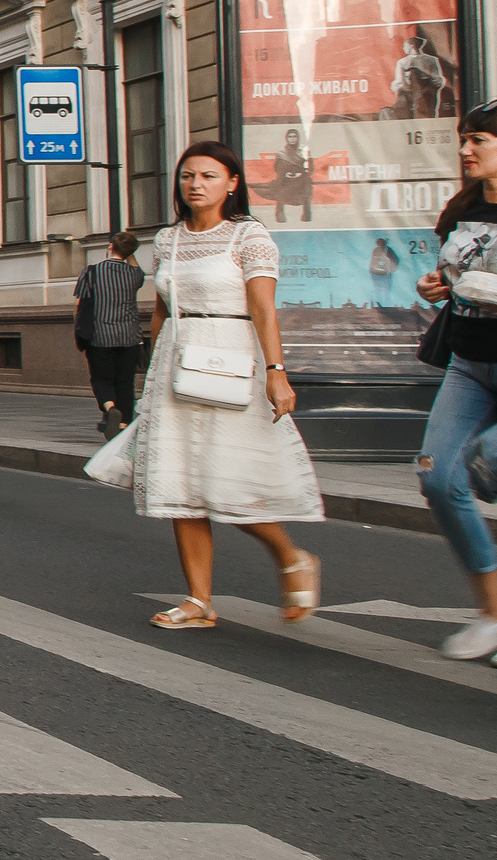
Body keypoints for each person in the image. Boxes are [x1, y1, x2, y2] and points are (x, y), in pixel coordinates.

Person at [88, 142, 322, 631]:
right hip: (178, 357)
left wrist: (276, 372)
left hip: (231, 355)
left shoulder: (249, 236)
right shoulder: (168, 239)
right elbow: (161, 308)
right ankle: (199, 600)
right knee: (182, 484)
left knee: (227, 482)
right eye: (188, 176)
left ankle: (291, 556)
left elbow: (263, 309)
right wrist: (151, 366)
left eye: (209, 176)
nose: (196, 184)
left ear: (232, 183)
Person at [411, 99, 497, 663]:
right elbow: (454, 271)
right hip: (468, 364)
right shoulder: (462, 206)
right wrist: (436, 284)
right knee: (439, 479)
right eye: (464, 139)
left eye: (479, 141)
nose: (465, 150)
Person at [75, 231, 147, 436]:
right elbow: (135, 267)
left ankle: (110, 408)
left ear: (110, 247)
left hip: (100, 336)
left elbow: (81, 304)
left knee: (100, 379)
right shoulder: (135, 276)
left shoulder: (92, 272)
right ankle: (123, 424)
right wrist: (128, 252)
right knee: (125, 381)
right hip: (129, 337)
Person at [268, 128, 313, 224]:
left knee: (307, 185)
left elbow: (310, 168)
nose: (292, 139)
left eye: (294, 136)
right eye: (290, 136)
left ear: (298, 138)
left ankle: (307, 215)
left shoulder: (304, 151)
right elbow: (277, 168)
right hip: (286, 180)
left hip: (301, 180)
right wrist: (285, 173)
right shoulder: (281, 153)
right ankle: (280, 214)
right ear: (286, 138)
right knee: (278, 187)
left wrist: (300, 174)